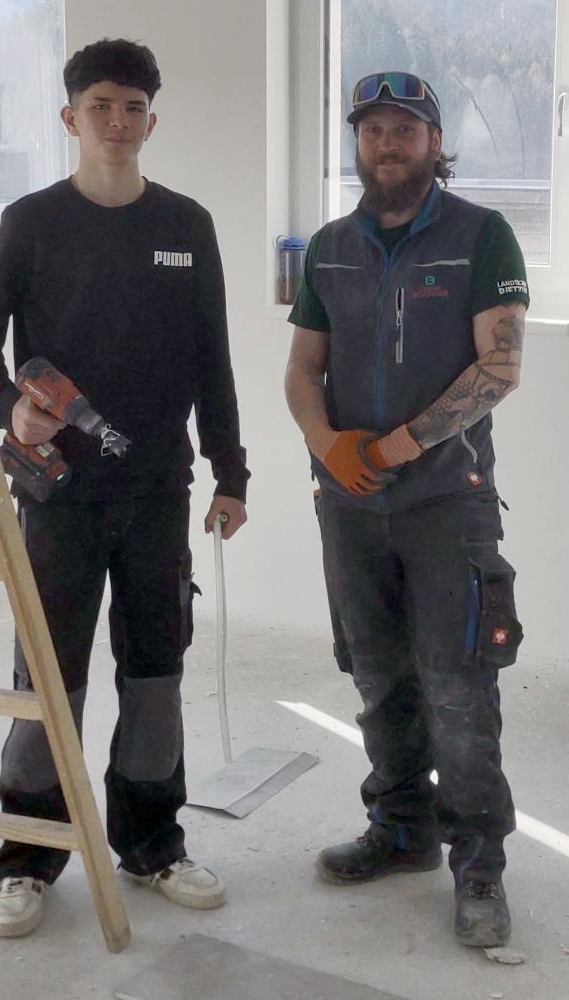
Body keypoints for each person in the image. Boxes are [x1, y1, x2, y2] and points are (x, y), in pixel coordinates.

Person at [0, 38, 249, 938]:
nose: (117, 122)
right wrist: (10, 407)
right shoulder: (31, 222)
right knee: (48, 678)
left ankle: (153, 844)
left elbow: (212, 358)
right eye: (100, 107)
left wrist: (231, 472)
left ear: (151, 121)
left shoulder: (186, 225)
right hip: (58, 498)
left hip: (159, 490)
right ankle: (28, 856)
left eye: (133, 108)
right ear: (70, 118)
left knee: (156, 673)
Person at [284, 72, 527, 947]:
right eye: (374, 130)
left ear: (434, 142)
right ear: (357, 142)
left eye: (406, 129)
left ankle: (479, 864)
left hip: (445, 506)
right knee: (377, 675)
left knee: (459, 686)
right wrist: (328, 445)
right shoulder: (330, 247)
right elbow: (302, 368)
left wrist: (390, 449)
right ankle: (400, 829)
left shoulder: (481, 235)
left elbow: (499, 369)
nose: (388, 144)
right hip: (348, 509)